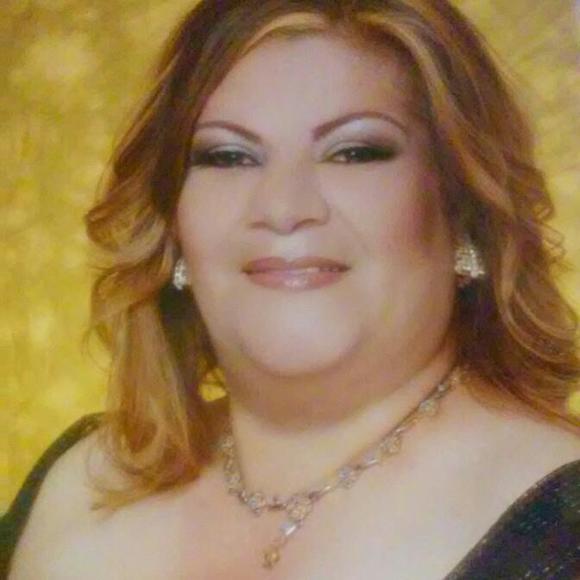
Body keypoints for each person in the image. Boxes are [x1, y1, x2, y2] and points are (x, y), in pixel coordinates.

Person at [2, 0, 579, 578]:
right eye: (228, 156)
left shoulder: (564, 521)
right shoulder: (77, 484)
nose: (283, 207)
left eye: (354, 152)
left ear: (466, 214)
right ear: (172, 228)